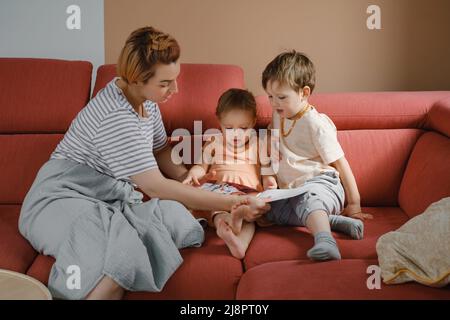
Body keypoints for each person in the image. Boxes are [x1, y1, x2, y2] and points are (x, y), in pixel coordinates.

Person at [18, 26, 269, 300]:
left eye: (175, 79)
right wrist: (233, 203)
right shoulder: (115, 116)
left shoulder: (145, 101)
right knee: (111, 253)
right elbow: (156, 186)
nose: (175, 89)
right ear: (136, 79)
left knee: (174, 218)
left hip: (108, 199)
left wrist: (189, 177)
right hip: (61, 198)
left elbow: (160, 149)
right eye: (164, 83)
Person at [261, 50, 373, 261]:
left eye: (281, 97)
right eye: (270, 97)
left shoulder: (315, 124)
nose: (274, 104)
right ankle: (332, 221)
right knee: (265, 211)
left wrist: (355, 205)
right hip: (292, 191)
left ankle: (325, 241)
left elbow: (341, 163)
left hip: (322, 185)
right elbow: (269, 142)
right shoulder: (279, 116)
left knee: (308, 198)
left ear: (304, 93)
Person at [183, 88, 277, 259]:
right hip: (219, 191)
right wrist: (193, 174)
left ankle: (239, 243)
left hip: (247, 191)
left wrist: (270, 181)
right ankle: (225, 225)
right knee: (217, 210)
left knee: (251, 217)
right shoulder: (214, 141)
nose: (236, 134)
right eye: (229, 128)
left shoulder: (259, 143)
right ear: (219, 122)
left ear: (254, 122)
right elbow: (200, 166)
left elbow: (266, 171)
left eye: (243, 128)